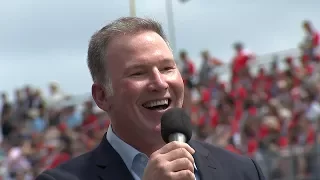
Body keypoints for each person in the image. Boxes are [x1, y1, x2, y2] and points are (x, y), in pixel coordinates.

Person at [36, 17, 265, 180]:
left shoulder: (243, 172)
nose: (159, 83)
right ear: (102, 96)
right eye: (138, 73)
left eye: (167, 68)